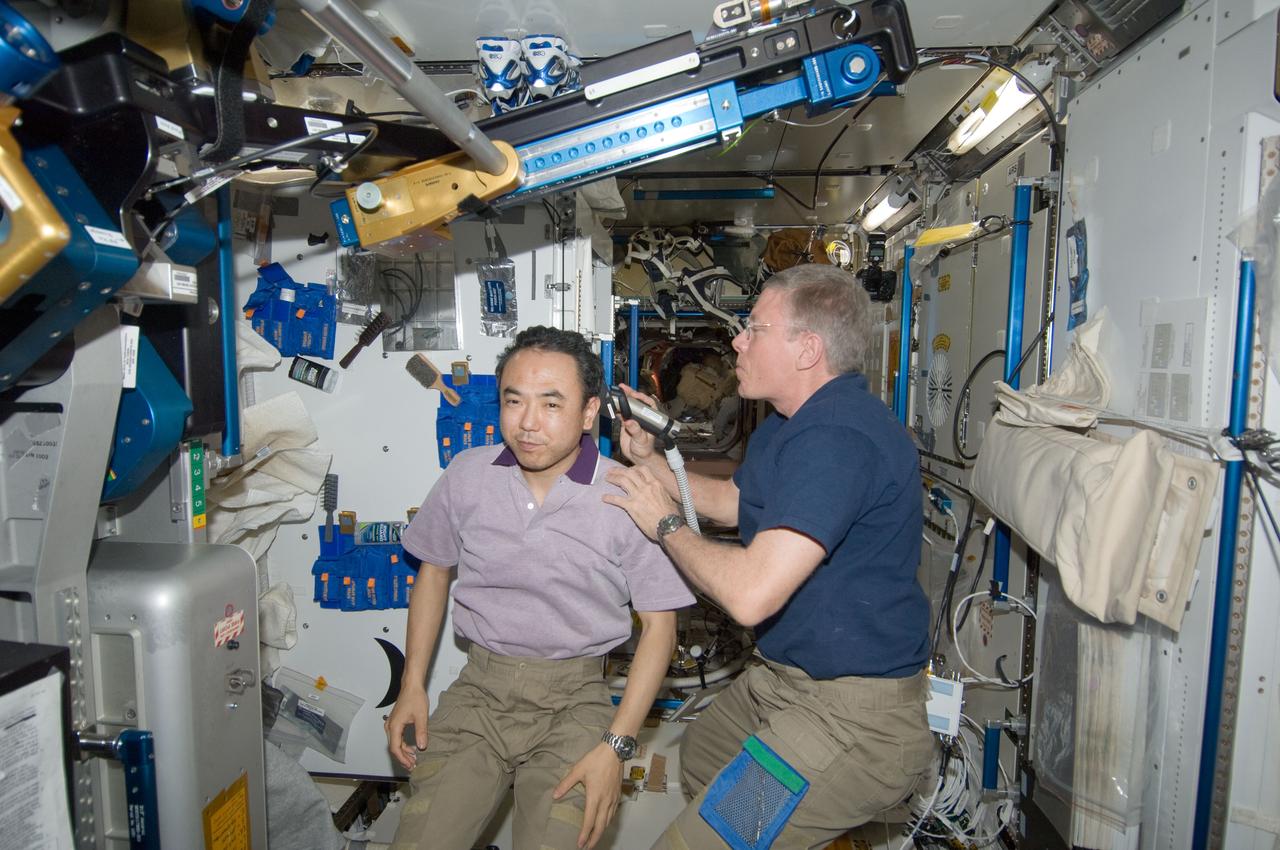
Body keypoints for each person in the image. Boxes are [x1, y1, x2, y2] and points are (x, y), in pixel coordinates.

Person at [604, 265, 935, 849]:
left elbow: (750, 595)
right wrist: (650, 461)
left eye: (754, 328)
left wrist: (665, 525)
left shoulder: (838, 439)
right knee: (703, 758)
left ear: (807, 349)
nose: (737, 341)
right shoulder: (789, 425)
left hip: (852, 718)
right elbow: (732, 503)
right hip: (783, 682)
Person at [386, 326, 694, 850]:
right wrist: (412, 684)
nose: (527, 423)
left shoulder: (628, 496)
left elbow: (660, 628)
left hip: (575, 702)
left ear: (589, 411)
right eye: (514, 401)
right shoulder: (468, 475)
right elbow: (434, 571)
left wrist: (615, 746)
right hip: (479, 693)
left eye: (551, 404)